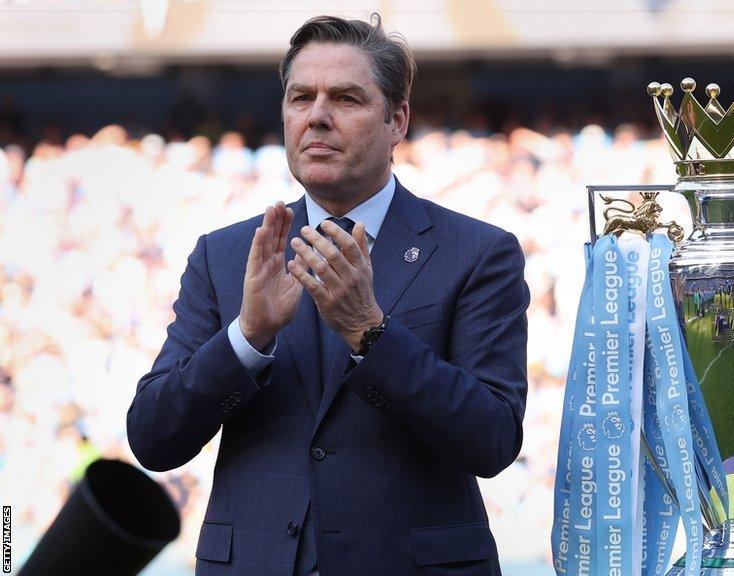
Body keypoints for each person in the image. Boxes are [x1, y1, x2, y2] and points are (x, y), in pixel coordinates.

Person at [126, 14, 529, 576]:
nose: (317, 116)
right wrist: (246, 338)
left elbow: (493, 439)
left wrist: (371, 333)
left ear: (397, 120)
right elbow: (152, 438)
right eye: (300, 98)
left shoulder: (478, 253)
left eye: (345, 98)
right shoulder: (224, 255)